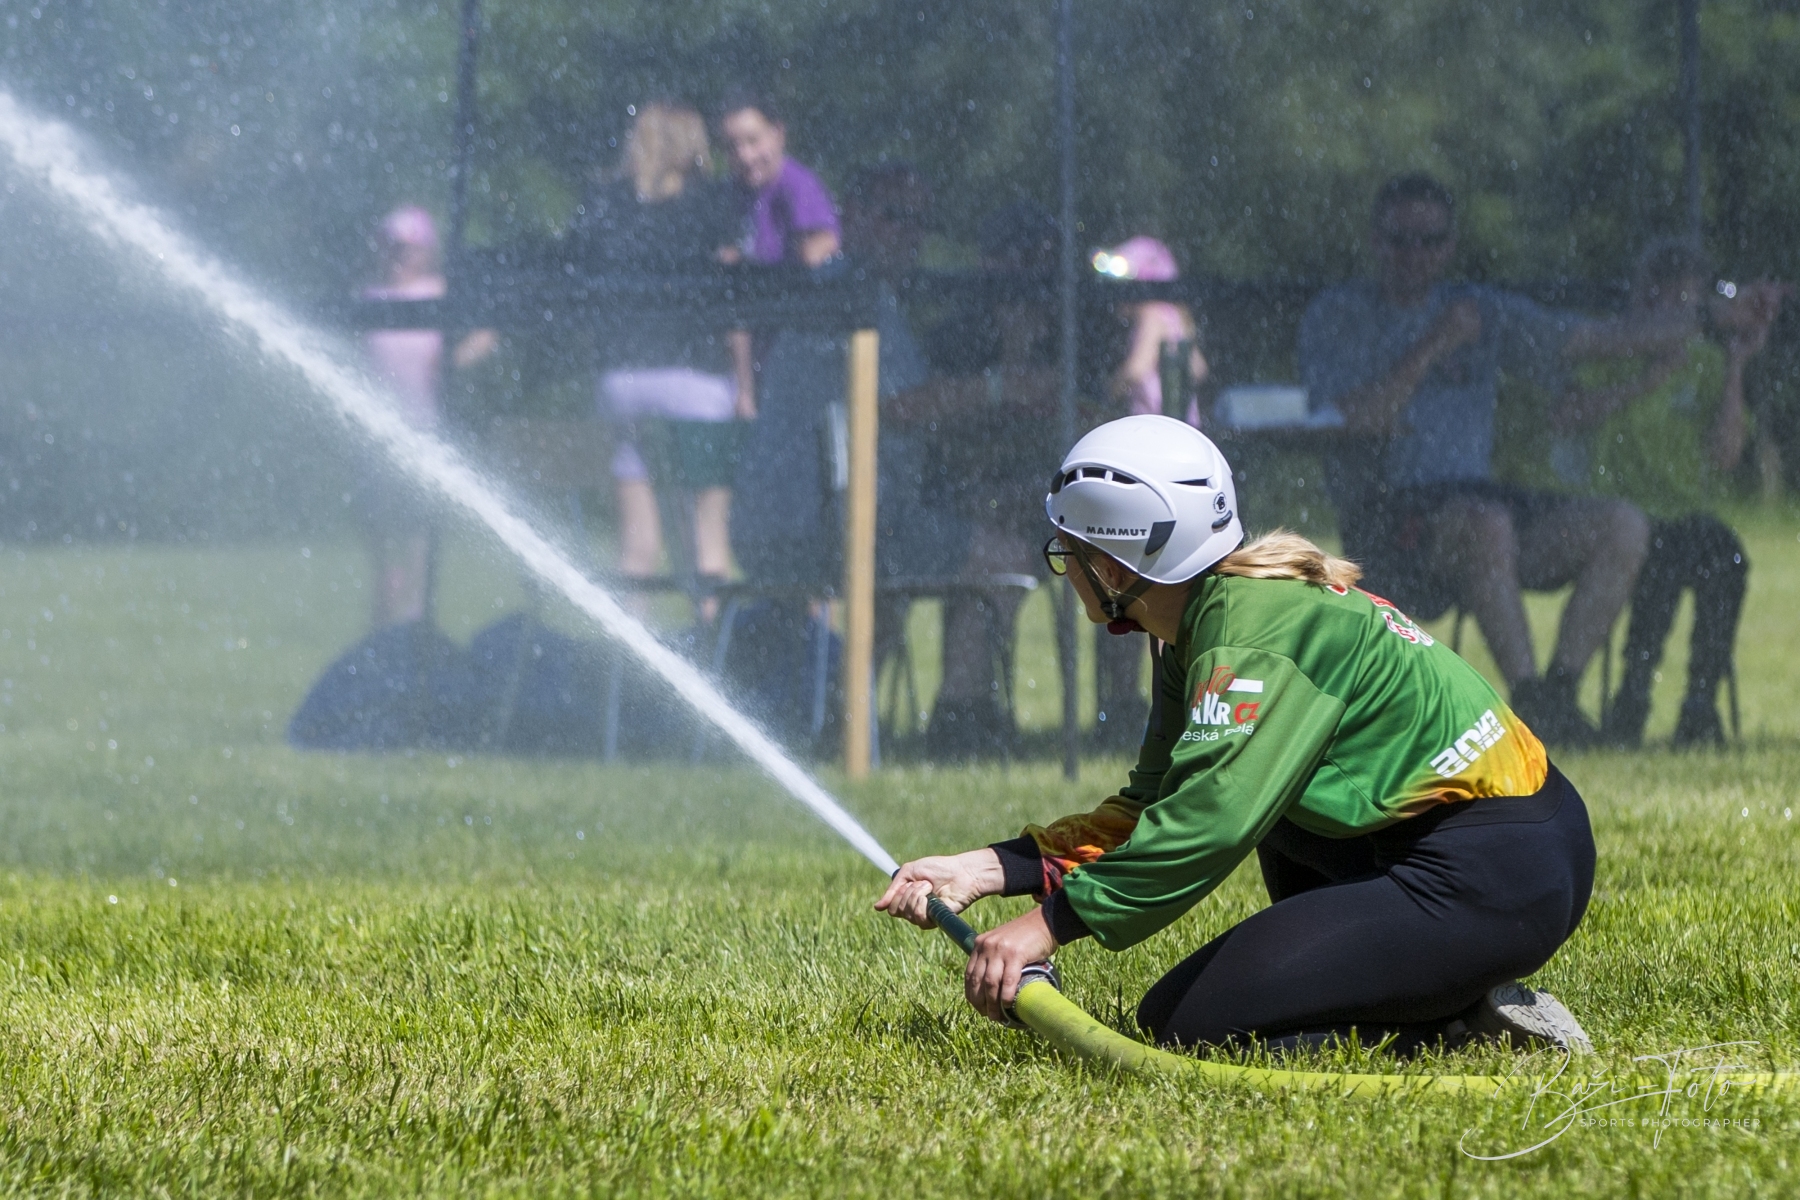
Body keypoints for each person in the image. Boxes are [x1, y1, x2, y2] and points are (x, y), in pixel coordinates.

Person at [877, 415, 1596, 1057]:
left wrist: (1045, 927)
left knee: (1189, 1023)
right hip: (1506, 845)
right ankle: (1424, 993)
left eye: (1068, 552)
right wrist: (986, 869)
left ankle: (1462, 1028)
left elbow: (1208, 818)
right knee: (1253, 881)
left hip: (1495, 875)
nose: (1065, 570)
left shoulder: (1247, 640)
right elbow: (1156, 802)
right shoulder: (1205, 619)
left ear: (1114, 567)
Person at [1299, 174, 1753, 747]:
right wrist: (1434, 344)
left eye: (1430, 240)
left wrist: (1713, 320)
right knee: (1487, 523)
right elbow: (1353, 418)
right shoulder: (1340, 315)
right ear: (1374, 240)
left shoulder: (1480, 310)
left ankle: (1559, 693)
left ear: (1451, 245)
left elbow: (1594, 339)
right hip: (1391, 517)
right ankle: (1530, 698)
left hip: (1484, 503)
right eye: (1400, 240)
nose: (1415, 254)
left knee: (1622, 525)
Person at [1554, 241, 1786, 746]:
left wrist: (1736, 364)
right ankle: (1633, 695)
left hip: (1683, 514)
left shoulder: (1705, 363)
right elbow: (1567, 416)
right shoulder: (1611, 354)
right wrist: (1644, 382)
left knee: (1724, 557)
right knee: (1656, 557)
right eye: (1660, 298)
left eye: (1685, 302)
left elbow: (1725, 455)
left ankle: (1700, 703)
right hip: (1615, 513)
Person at [577, 102, 740, 618]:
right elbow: (732, 301)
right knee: (706, 539)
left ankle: (630, 656)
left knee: (637, 544)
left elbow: (586, 293)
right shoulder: (711, 203)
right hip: (696, 379)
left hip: (624, 379)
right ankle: (709, 649)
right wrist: (745, 383)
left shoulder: (608, 203)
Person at [1091, 235, 1210, 749]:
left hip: (1147, 458)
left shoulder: (1149, 314)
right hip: (1182, 453)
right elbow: (1198, 369)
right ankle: (1182, 699)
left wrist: (1108, 390)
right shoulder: (1176, 317)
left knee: (1128, 582)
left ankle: (1127, 703)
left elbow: (1138, 370)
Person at [359, 205, 495, 627]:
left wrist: (451, 361)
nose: (398, 257)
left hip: (424, 429)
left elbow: (486, 332)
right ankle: (385, 610)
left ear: (425, 252)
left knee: (418, 524)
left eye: (407, 249)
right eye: (391, 247)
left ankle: (414, 612)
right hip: (377, 434)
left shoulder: (437, 293)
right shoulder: (371, 298)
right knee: (380, 528)